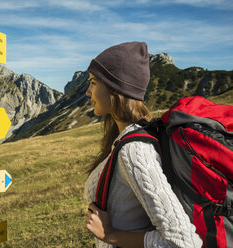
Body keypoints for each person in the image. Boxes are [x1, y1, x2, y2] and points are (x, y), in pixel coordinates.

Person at [84, 41, 202, 248]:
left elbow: (184, 243)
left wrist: (110, 234)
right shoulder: (131, 136)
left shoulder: (134, 150)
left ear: (114, 87)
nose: (87, 92)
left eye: (93, 82)